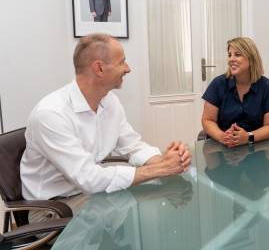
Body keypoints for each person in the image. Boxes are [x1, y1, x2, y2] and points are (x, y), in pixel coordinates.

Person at [20, 34, 191, 212]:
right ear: (99, 68)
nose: (128, 68)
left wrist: (166, 159)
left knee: (154, 196)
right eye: (122, 62)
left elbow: (133, 147)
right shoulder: (51, 114)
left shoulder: (110, 102)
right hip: (55, 207)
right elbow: (89, 178)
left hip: (90, 195)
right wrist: (162, 169)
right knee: (141, 201)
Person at [201, 37, 269, 147]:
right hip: (224, 148)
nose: (231, 59)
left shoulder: (267, 87)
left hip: (257, 148)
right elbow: (208, 120)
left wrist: (248, 137)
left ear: (251, 58)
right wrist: (222, 137)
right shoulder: (218, 84)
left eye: (237, 54)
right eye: (229, 55)